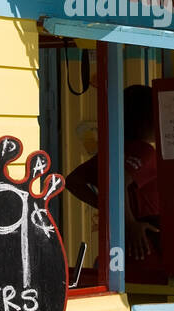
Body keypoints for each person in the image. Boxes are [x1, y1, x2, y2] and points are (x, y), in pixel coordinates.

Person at [65, 84, 164, 272]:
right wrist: (130, 222)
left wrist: (113, 211)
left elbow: (72, 181)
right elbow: (119, 183)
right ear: (147, 119)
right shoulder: (144, 151)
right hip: (144, 237)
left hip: (124, 238)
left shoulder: (114, 151)